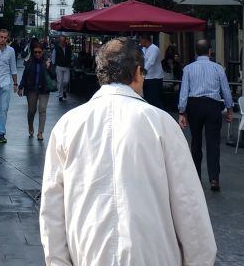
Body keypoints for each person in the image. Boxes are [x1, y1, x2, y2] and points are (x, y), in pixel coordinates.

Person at [40, 38, 217, 265]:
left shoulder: (67, 126)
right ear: (137, 73)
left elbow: (52, 211)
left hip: (87, 256)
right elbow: (189, 206)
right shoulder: (161, 123)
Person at [178, 39, 234, 192]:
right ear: (210, 51)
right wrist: (229, 109)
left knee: (196, 141)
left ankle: (196, 177)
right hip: (212, 106)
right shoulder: (218, 68)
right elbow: (226, 91)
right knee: (213, 143)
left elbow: (184, 92)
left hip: (194, 105)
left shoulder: (188, 69)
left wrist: (182, 111)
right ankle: (214, 178)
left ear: (196, 52)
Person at [19, 42, 53, 140]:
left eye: (39, 52)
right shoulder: (30, 62)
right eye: (35, 52)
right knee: (32, 110)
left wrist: (49, 67)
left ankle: (40, 132)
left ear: (42, 52)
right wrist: (21, 87)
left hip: (44, 89)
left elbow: (54, 75)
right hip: (31, 89)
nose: (37, 54)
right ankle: (30, 126)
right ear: (33, 52)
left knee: (42, 110)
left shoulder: (47, 61)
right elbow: (25, 75)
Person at [139, 34, 163, 107]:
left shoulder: (154, 49)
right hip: (147, 78)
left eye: (141, 40)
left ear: (145, 40)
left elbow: (150, 62)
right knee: (147, 99)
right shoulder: (144, 49)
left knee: (155, 100)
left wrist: (143, 71)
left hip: (155, 78)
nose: (140, 42)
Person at [51, 36, 72, 101]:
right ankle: (60, 95)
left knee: (66, 81)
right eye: (61, 41)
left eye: (63, 40)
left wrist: (71, 61)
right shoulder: (56, 48)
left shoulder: (68, 48)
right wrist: (54, 64)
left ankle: (64, 91)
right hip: (59, 66)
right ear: (59, 41)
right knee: (60, 81)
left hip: (66, 66)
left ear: (65, 41)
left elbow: (71, 56)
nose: (62, 42)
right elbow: (53, 56)